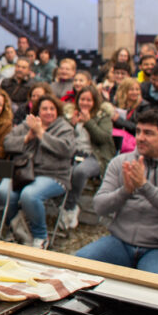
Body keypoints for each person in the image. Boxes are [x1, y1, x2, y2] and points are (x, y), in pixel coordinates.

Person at [76, 109, 158, 277]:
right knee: (77, 265)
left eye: (148, 133)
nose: (140, 137)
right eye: (138, 131)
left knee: (154, 294)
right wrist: (126, 191)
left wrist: (144, 186)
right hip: (120, 242)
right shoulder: (121, 162)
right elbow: (99, 206)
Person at [0, 95, 75, 248]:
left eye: (52, 109)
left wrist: (41, 134)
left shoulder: (64, 128)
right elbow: (7, 143)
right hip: (23, 172)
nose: (48, 112)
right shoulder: (28, 125)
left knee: (30, 194)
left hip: (53, 175)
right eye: (44, 108)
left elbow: (67, 150)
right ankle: (18, 231)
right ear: (38, 111)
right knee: (3, 192)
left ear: (57, 111)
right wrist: (26, 138)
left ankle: (40, 236)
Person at [61, 86, 116, 229]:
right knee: (61, 170)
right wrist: (71, 126)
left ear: (94, 101)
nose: (85, 103)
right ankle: (62, 204)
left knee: (80, 171)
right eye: (82, 99)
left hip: (95, 156)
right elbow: (63, 138)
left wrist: (88, 122)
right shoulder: (70, 114)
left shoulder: (102, 117)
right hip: (73, 154)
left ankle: (69, 207)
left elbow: (103, 138)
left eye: (88, 100)